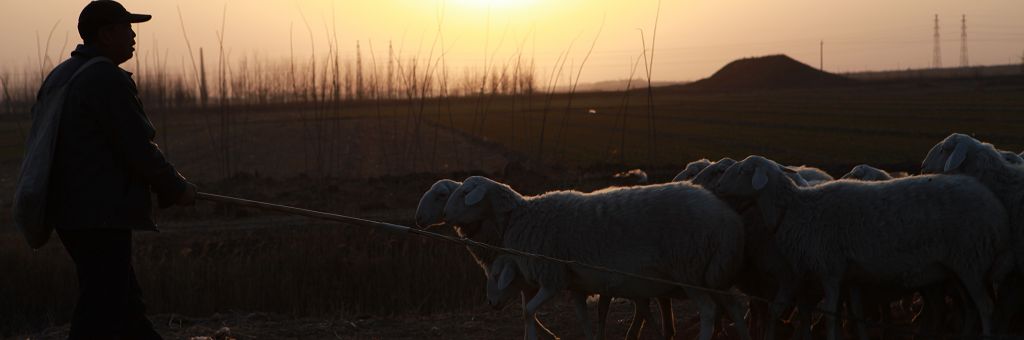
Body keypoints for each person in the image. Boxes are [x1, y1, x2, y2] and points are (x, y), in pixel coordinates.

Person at [33, 1, 196, 338]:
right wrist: (177, 188)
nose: (133, 34)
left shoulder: (62, 75)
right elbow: (137, 147)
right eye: (126, 27)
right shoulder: (104, 77)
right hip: (98, 214)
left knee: (124, 304)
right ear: (106, 35)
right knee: (102, 306)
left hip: (70, 213)